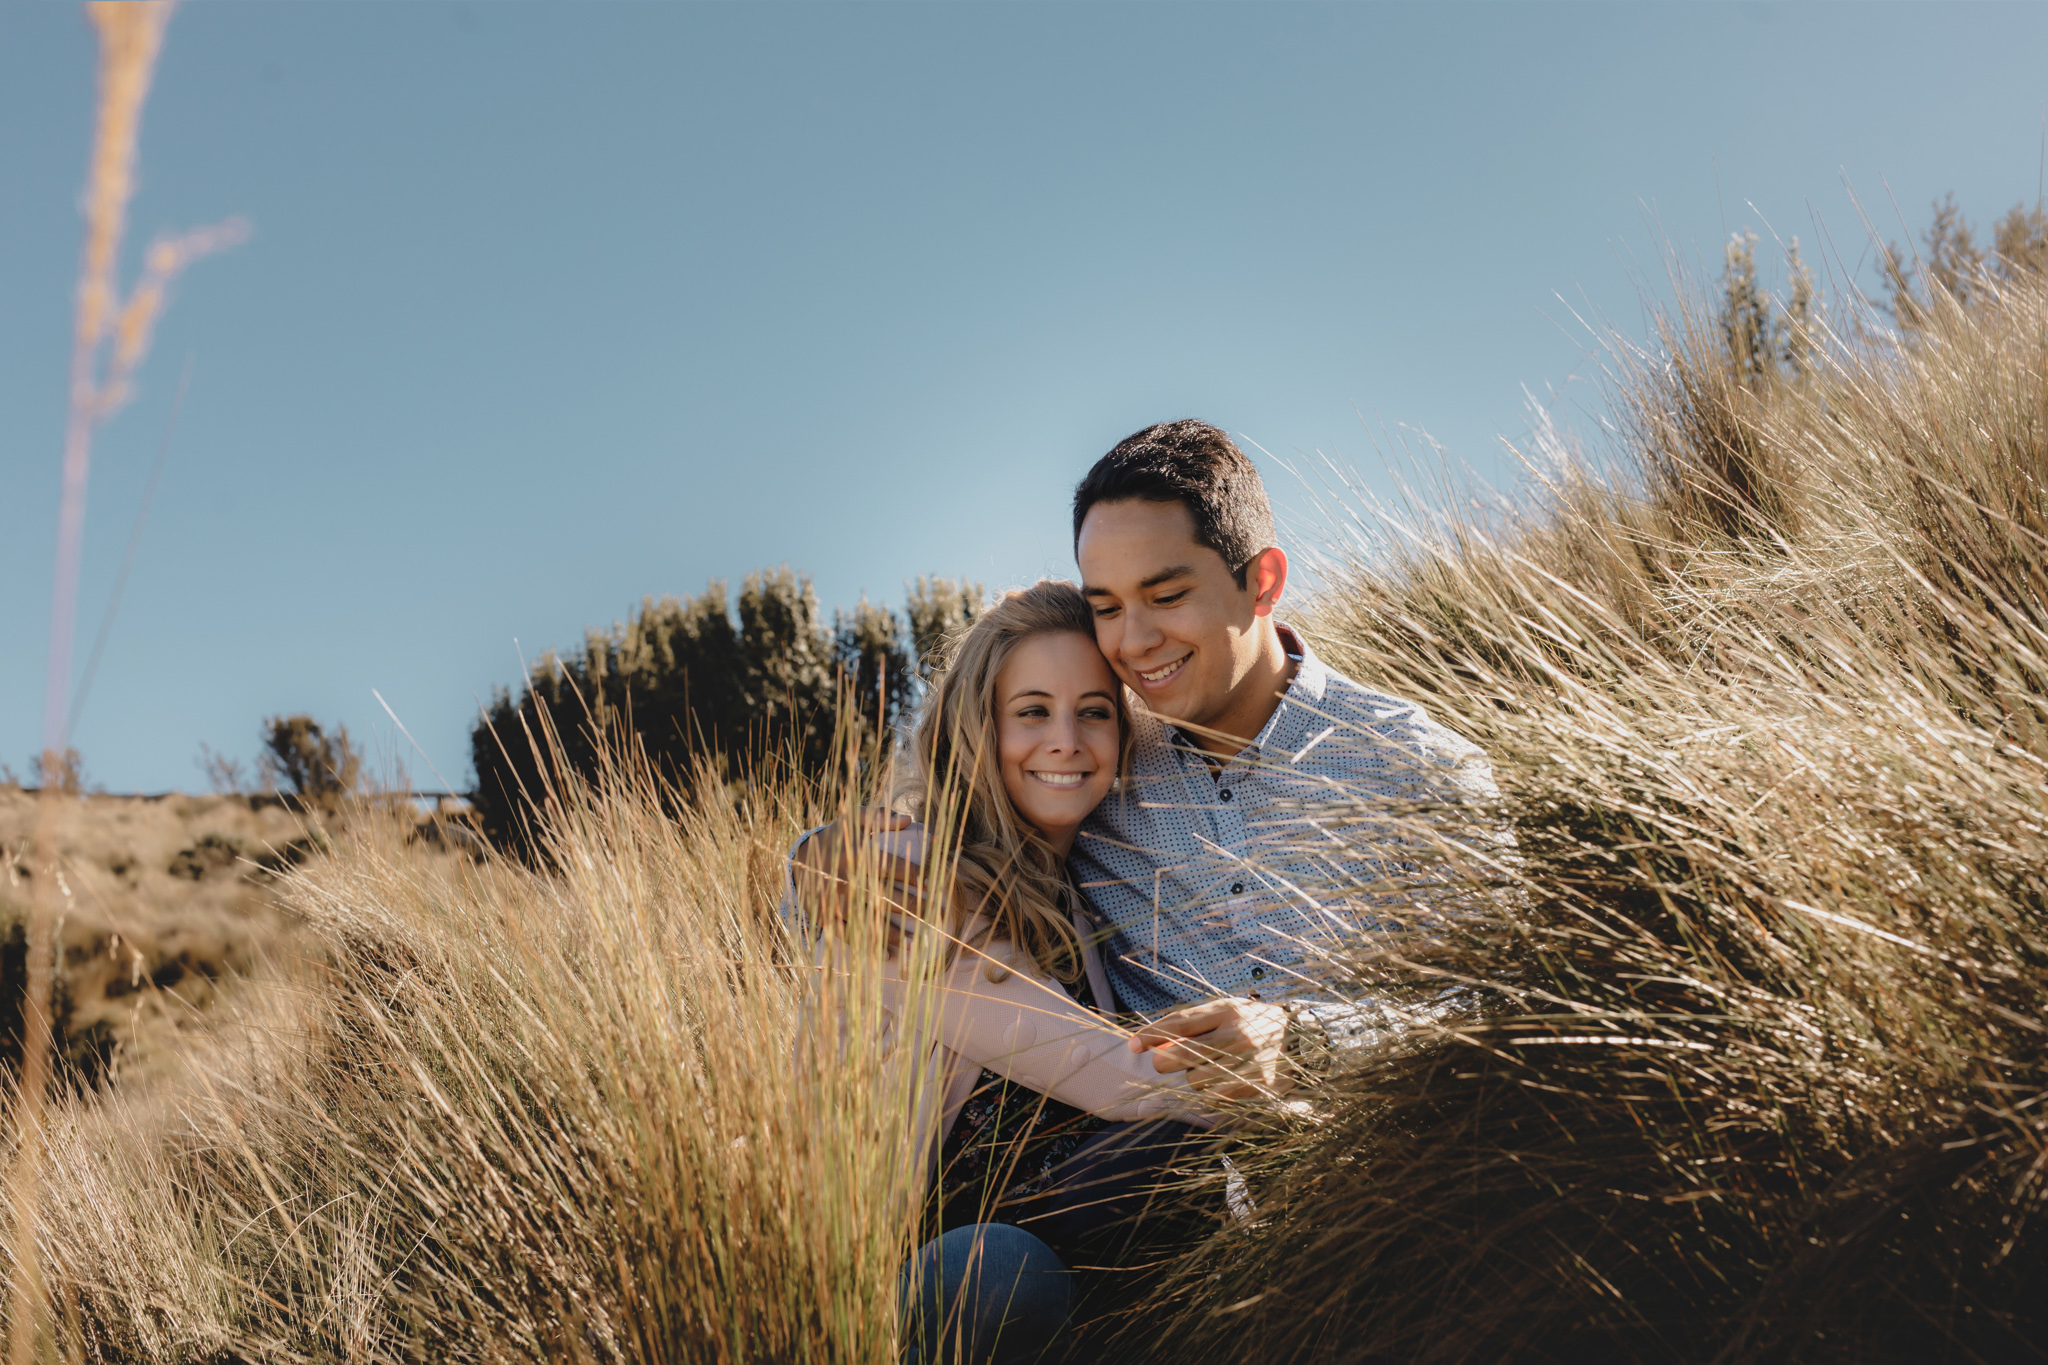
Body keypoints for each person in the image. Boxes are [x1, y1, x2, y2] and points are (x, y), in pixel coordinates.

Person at [799, 419, 1499, 1359]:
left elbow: (1506, 1009)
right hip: (1154, 1206)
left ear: (1262, 579)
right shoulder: (1106, 780)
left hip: (1393, 1183)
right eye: (1107, 605)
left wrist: (1314, 1044)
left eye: (1164, 596)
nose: (1133, 643)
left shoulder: (1414, 768)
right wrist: (818, 853)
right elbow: (968, 815)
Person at [791, 580, 1221, 1365]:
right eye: (1031, 711)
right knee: (1002, 1265)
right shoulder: (903, 879)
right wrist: (1292, 1078)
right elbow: (1120, 1077)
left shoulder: (1077, 889)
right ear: (975, 730)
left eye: (1093, 710)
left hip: (1062, 1253)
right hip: (909, 1289)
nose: (1066, 740)